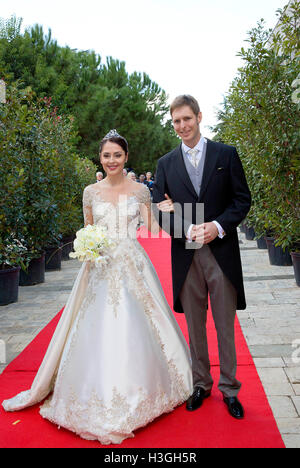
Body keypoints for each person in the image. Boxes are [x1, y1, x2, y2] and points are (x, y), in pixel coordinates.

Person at [2, 129, 193, 445]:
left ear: (126, 157)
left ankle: (144, 391)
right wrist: (88, 247)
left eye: (117, 155)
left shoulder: (141, 192)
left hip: (133, 265)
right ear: (100, 158)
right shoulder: (90, 192)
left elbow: (153, 227)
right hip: (100, 268)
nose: (112, 160)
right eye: (107, 155)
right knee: (93, 327)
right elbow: (88, 230)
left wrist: (172, 210)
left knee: (138, 324)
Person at [152, 95, 251, 420]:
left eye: (187, 119)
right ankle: (201, 384)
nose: (182, 126)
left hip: (221, 254)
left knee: (225, 325)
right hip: (186, 256)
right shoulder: (165, 164)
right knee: (195, 326)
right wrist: (188, 229)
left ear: (199, 117)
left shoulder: (226, 154)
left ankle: (230, 389)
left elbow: (241, 200)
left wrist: (218, 226)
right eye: (177, 121)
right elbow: (160, 210)